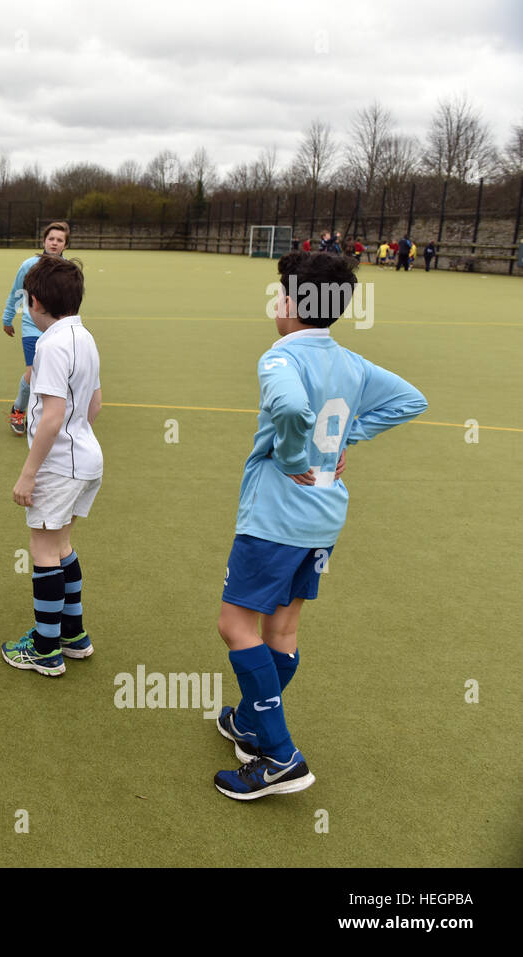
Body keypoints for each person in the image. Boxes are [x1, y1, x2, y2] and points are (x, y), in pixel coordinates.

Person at [212, 250, 426, 800]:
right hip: (324, 518)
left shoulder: (279, 357)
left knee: (236, 627)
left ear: (289, 303)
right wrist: (345, 438)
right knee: (281, 630)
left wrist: (289, 457)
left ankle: (281, 756)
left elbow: (289, 410)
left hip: (276, 518)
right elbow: (411, 401)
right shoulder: (350, 361)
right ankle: (251, 724)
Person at [2, 255, 102, 677]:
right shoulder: (86, 336)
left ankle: (45, 647)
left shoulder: (49, 345)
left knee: (43, 551)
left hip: (60, 464)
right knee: (61, 546)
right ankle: (73, 634)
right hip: (87, 460)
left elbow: (52, 415)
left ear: (35, 301)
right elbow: (95, 403)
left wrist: (29, 472)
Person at [2, 221, 69, 436]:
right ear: (44, 241)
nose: (54, 243)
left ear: (65, 245)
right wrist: (8, 318)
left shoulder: (68, 269)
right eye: (51, 239)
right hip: (32, 326)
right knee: (33, 372)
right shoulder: (29, 265)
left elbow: (72, 300)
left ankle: (49, 412)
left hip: (58, 328)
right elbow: (16, 292)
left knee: (58, 371)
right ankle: (19, 409)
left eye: (59, 240)